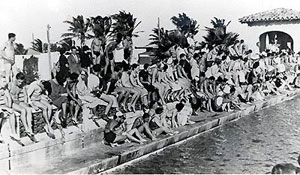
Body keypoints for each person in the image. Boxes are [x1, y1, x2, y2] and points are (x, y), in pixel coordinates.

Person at [7, 72, 38, 142]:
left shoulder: (22, 85)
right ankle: (26, 128)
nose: (20, 83)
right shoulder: (10, 85)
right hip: (11, 102)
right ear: (16, 79)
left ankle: (30, 129)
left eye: (21, 82)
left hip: (17, 101)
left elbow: (26, 95)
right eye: (19, 81)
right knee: (23, 110)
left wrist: (27, 103)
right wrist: (8, 106)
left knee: (29, 109)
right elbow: (7, 95)